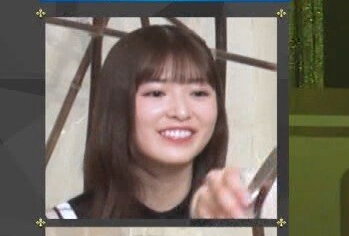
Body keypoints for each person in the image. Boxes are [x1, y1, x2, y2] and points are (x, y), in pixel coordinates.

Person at [47, 24, 260, 220]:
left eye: (198, 93)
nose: (181, 112)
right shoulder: (63, 220)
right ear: (117, 106)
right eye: (156, 93)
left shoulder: (246, 208)